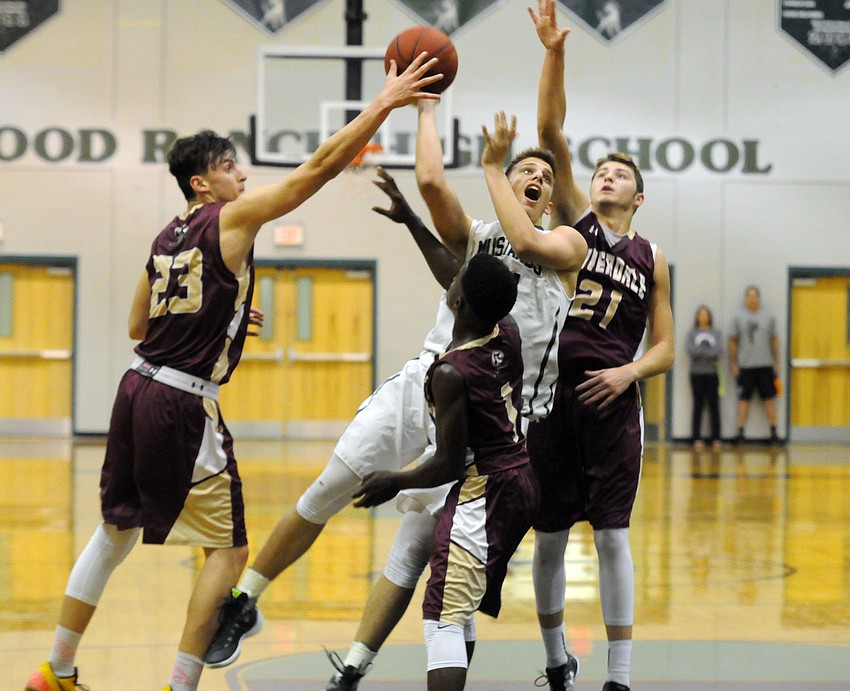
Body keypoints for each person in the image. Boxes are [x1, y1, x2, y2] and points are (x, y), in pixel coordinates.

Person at [24, 53, 442, 691]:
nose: (242, 175)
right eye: (227, 166)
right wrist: (384, 102)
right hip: (180, 403)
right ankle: (181, 684)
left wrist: (220, 315)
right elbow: (318, 169)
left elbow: (138, 325)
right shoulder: (231, 218)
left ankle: (56, 670)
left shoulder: (164, 237)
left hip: (135, 388)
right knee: (230, 551)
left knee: (114, 533)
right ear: (201, 184)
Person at [529, 2, 675, 690]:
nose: (606, 177)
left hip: (614, 406)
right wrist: (554, 52)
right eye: (600, 173)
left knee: (613, 535)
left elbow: (666, 346)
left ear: (639, 197)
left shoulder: (654, 257)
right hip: (555, 397)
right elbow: (550, 132)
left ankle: (619, 676)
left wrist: (629, 373)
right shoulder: (575, 227)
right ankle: (557, 661)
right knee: (550, 536)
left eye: (620, 175)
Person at [352, 252, 538, 691]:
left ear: (459, 302)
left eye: (458, 278)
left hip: (485, 490)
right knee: (459, 604)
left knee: (442, 619)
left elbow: (448, 463)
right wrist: (412, 224)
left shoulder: (451, 373)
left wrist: (394, 480)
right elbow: (471, 287)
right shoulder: (507, 331)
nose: (451, 278)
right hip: (521, 479)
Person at [729, 285, 780, 444]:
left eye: (754, 296)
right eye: (749, 296)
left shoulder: (768, 317)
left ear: (758, 298)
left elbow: (774, 339)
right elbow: (733, 341)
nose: (752, 298)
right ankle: (740, 433)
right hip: (745, 366)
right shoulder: (738, 317)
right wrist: (734, 363)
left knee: (769, 399)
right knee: (743, 399)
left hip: (765, 364)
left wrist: (776, 361)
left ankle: (773, 433)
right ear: (746, 298)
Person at [686, 305, 723, 450]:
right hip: (696, 374)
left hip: (713, 373)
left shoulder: (716, 333)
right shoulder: (692, 333)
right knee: (698, 405)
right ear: (697, 317)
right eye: (701, 314)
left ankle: (716, 438)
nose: (703, 317)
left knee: (714, 406)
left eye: (705, 314)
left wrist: (701, 352)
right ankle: (696, 437)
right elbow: (691, 350)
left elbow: (717, 351)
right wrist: (707, 353)